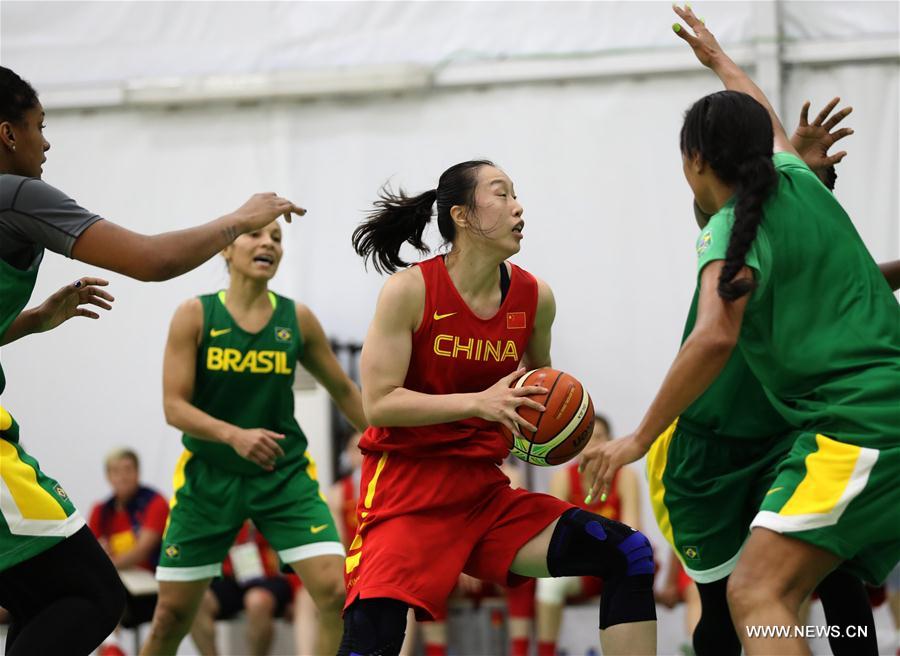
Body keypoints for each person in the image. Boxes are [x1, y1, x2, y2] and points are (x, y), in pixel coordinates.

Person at [581, 6, 900, 655]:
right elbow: (767, 119)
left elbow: (713, 337)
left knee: (761, 595)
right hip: (800, 433)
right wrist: (721, 62)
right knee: (768, 600)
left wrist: (633, 439)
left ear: (694, 161)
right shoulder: (799, 182)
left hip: (851, 424)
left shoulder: (731, 233)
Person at [0, 65, 304, 656]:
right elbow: (150, 259)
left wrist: (33, 321)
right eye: (39, 126)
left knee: (42, 599)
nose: (47, 141)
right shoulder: (14, 192)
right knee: (92, 595)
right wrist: (238, 218)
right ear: (7, 134)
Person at [342, 160, 657, 656]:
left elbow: (537, 396)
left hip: (485, 495)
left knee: (628, 551)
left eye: (516, 195)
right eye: (502, 194)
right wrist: (479, 403)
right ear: (463, 216)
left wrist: (557, 432)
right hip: (406, 494)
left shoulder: (535, 298)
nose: (519, 206)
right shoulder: (410, 291)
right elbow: (378, 404)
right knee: (372, 638)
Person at [638, 95, 883, 656]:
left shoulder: (824, 262)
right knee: (727, 610)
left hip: (782, 435)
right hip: (706, 449)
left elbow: (865, 280)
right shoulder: (731, 230)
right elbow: (720, 207)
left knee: (837, 581)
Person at [140, 218, 367, 656]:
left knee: (337, 594)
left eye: (277, 238)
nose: (268, 244)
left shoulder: (295, 318)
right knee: (170, 618)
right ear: (226, 250)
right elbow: (175, 407)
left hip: (281, 476)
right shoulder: (195, 313)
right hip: (209, 479)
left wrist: (393, 447)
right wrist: (234, 436)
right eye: (256, 234)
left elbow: (344, 391)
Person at [536, 414, 642, 656]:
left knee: (632, 562)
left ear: (611, 442)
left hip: (617, 564)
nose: (594, 443)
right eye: (587, 438)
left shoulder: (625, 476)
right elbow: (554, 537)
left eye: (600, 437)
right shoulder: (563, 478)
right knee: (548, 583)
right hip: (581, 568)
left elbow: (632, 531)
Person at [88, 449, 170, 656]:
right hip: (118, 586)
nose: (123, 476)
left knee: (103, 591)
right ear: (108, 477)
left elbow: (143, 549)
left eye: (128, 470)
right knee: (96, 594)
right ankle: (111, 646)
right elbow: (92, 553)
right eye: (116, 471)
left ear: (137, 472)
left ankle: (112, 646)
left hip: (152, 588)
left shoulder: (155, 502)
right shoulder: (101, 510)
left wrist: (107, 563)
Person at [190, 521, 297, 656]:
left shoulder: (272, 505)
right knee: (196, 600)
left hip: (269, 577)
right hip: (232, 577)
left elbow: (294, 549)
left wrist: (295, 597)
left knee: (256, 601)